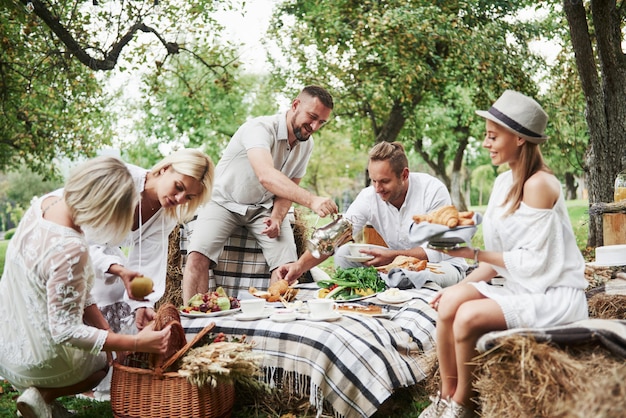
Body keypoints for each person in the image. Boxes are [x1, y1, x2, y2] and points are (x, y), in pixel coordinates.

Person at [419, 90, 589, 418]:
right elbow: (500, 257)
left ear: (520, 139)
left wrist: (473, 252)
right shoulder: (501, 184)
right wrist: (459, 284)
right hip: (520, 282)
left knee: (467, 317)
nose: (486, 143)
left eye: (493, 136)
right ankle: (444, 394)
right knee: (449, 303)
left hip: (552, 292)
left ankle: (463, 403)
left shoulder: (540, 184)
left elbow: (535, 263)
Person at [0, 156, 173, 418]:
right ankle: (45, 395)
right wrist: (136, 342)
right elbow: (65, 331)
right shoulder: (72, 247)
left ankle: (43, 405)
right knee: (102, 366)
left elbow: (74, 290)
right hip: (35, 362)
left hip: (7, 347)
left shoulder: (45, 206)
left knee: (106, 347)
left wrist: (105, 329)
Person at [182, 85, 338, 304]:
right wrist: (311, 200)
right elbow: (266, 175)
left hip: (264, 207)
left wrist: (277, 217)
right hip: (224, 202)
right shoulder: (259, 128)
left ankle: (277, 320)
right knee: (197, 256)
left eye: (321, 122)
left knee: (286, 267)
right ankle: (193, 322)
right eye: (312, 117)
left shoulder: (306, 144)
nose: (314, 126)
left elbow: (288, 189)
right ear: (295, 105)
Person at [87, 148, 214, 400]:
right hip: (70, 246)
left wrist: (140, 305)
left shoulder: (166, 214)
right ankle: (81, 371)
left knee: (123, 299)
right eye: (178, 187)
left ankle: (103, 375)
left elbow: (148, 261)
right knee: (104, 289)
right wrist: (118, 269)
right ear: (165, 168)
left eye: (188, 197)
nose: (179, 199)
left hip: (103, 255)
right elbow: (80, 241)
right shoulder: (122, 183)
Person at [276, 141, 468, 287]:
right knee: (343, 253)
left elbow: (437, 250)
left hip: (443, 266)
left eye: (384, 181)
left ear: (404, 175)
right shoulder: (369, 195)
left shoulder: (432, 190)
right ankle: (382, 285)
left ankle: (386, 285)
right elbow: (334, 237)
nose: (377, 188)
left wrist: (393, 257)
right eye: (373, 180)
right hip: (395, 266)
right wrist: (298, 267)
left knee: (411, 276)